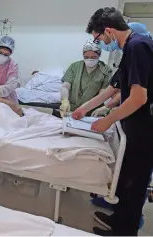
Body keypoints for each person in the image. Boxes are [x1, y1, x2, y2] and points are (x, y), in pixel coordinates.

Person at [79, 7, 153, 236]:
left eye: (98, 38)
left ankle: (125, 231)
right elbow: (115, 87)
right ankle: (118, 219)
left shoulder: (138, 46)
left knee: (135, 182)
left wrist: (108, 120)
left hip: (145, 128)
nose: (99, 43)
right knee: (125, 176)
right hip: (133, 124)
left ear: (109, 31)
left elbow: (139, 97)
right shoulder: (128, 48)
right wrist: (84, 109)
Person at [91, 22, 152, 117]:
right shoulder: (128, 55)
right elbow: (116, 86)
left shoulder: (141, 55)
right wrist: (106, 107)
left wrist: (110, 118)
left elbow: (137, 95)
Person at [59, 40, 113, 114]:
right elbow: (65, 86)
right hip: (71, 109)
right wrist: (64, 100)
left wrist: (86, 108)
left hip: (92, 111)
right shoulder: (74, 67)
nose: (89, 59)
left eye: (93, 57)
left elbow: (102, 95)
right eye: (86, 57)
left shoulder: (106, 70)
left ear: (99, 55)